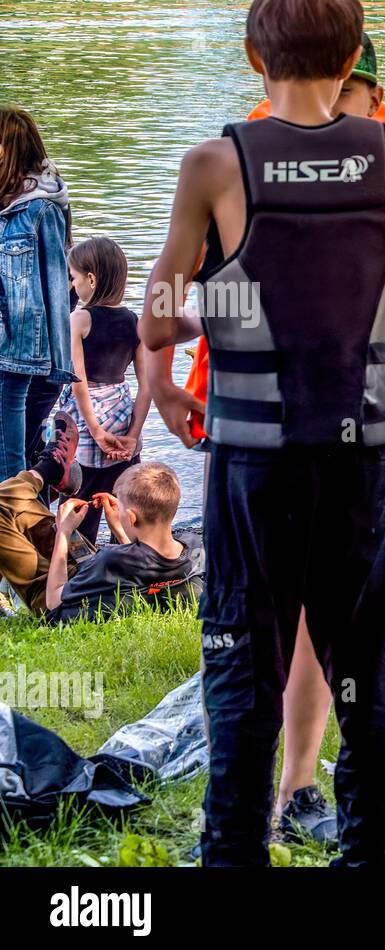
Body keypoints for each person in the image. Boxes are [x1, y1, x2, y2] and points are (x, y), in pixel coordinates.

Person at [141, 0, 385, 867]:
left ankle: (234, 852)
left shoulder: (214, 163)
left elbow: (164, 313)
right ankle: (370, 855)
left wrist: (165, 382)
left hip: (258, 456)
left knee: (245, 662)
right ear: (353, 52)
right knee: (369, 667)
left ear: (253, 57)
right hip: (370, 457)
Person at [0, 413, 201, 622]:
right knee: (13, 505)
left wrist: (64, 533)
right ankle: (48, 471)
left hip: (54, 596)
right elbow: (146, 570)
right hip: (90, 576)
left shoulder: (110, 561)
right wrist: (121, 531)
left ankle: (46, 470)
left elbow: (54, 600)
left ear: (131, 518)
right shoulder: (192, 547)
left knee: (6, 505)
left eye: (120, 506)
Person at [57, 236, 150, 543]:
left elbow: (78, 379)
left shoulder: (80, 318)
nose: (73, 286)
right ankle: (127, 558)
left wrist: (95, 430)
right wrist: (134, 434)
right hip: (122, 412)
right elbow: (146, 383)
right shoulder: (133, 321)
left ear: (91, 279)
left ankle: (77, 563)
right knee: (123, 496)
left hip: (88, 421)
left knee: (79, 497)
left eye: (74, 278)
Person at [0, 106, 75, 479]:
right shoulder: (6, 207)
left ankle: (17, 527)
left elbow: (57, 292)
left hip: (14, 352)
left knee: (7, 460)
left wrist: (58, 368)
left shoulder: (40, 210)